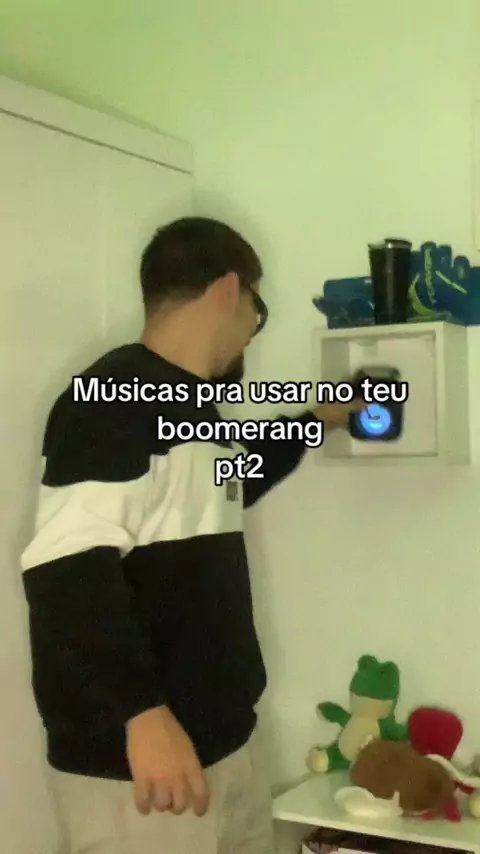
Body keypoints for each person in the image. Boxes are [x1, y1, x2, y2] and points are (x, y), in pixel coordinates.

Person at [20, 217, 362, 854]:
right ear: (230, 290)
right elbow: (65, 570)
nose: (251, 332)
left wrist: (318, 419)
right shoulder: (113, 399)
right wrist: (142, 714)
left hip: (223, 744)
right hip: (143, 769)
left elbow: (233, 477)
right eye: (257, 311)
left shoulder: (186, 405)